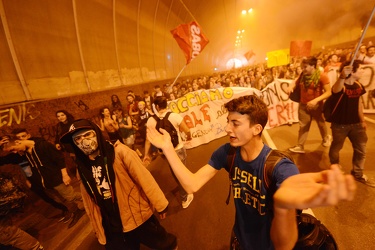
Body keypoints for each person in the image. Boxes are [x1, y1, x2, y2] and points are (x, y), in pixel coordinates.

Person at [147, 95, 356, 250]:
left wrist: (284, 207)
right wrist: (167, 148)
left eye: (235, 123)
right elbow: (191, 184)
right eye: (228, 121)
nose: (227, 129)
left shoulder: (279, 166)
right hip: (238, 241)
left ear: (256, 129)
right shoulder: (228, 153)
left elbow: (286, 243)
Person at [59, 119, 177, 250]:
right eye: (78, 139)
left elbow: (144, 177)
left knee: (164, 243)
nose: (83, 141)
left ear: (97, 133)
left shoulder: (119, 152)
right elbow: (88, 200)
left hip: (135, 215)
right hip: (110, 224)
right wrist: (96, 225)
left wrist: (160, 204)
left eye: (87, 135)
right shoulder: (82, 167)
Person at [6, 129, 85, 228]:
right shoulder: (26, 152)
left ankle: (93, 198)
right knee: (61, 199)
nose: (15, 152)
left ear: (18, 142)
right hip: (46, 182)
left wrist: (64, 175)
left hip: (56, 178)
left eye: (14, 149)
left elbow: (59, 159)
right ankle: (76, 211)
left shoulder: (42, 145)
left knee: (70, 196)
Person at [329, 60, 375, 187]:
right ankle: (335, 168)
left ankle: (358, 173)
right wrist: (342, 76)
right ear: (352, 71)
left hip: (356, 125)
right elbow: (335, 89)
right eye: (360, 69)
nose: (363, 71)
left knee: (361, 150)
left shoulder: (359, 85)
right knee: (336, 148)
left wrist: (362, 120)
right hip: (340, 125)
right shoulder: (341, 85)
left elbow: (359, 104)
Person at [143, 96, 193, 208]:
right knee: (181, 173)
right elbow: (187, 130)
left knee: (176, 171)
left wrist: (146, 154)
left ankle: (184, 188)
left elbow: (148, 140)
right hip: (178, 149)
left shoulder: (151, 120)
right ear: (166, 104)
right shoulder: (174, 116)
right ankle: (185, 197)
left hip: (164, 152)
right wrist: (189, 137)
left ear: (156, 106)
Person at [289, 56, 332, 154]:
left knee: (321, 123)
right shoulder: (302, 75)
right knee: (303, 126)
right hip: (303, 105)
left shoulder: (322, 76)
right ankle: (300, 146)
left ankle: (326, 138)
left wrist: (316, 100)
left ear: (313, 66)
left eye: (305, 67)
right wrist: (291, 86)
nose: (303, 69)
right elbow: (295, 82)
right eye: (302, 67)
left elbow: (329, 92)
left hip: (317, 106)